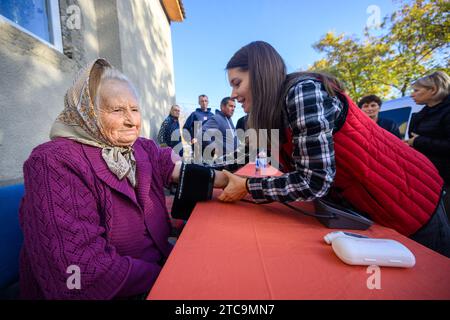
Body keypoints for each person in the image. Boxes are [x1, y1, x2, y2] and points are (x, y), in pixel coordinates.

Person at [19, 59, 228, 299]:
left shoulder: (140, 148)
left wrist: (225, 179)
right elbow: (80, 274)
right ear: (87, 113)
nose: (131, 120)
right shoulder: (54, 162)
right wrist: (170, 273)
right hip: (119, 290)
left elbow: (175, 167)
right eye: (117, 110)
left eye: (135, 109)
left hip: (158, 268)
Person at [218, 41, 449, 257]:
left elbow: (314, 180)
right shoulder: (272, 114)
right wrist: (196, 170)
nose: (233, 95)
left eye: (237, 83)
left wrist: (248, 186)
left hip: (411, 196)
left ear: (260, 74)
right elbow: (245, 156)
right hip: (371, 205)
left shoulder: (303, 92)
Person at [407, 71, 450, 216]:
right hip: (429, 177)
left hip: (445, 179)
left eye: (416, 90)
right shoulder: (424, 113)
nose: (412, 94)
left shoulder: (446, 112)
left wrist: (418, 141)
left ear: (433, 90)